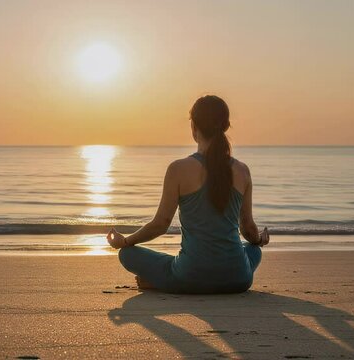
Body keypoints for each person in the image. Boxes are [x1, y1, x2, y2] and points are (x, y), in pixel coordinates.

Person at [106, 95, 269, 294]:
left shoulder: (178, 169)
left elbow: (160, 225)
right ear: (226, 126)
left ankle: (163, 282)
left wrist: (125, 241)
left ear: (194, 127)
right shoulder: (243, 171)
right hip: (238, 278)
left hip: (191, 276)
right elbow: (248, 229)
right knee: (253, 250)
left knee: (127, 254)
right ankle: (167, 280)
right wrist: (260, 239)